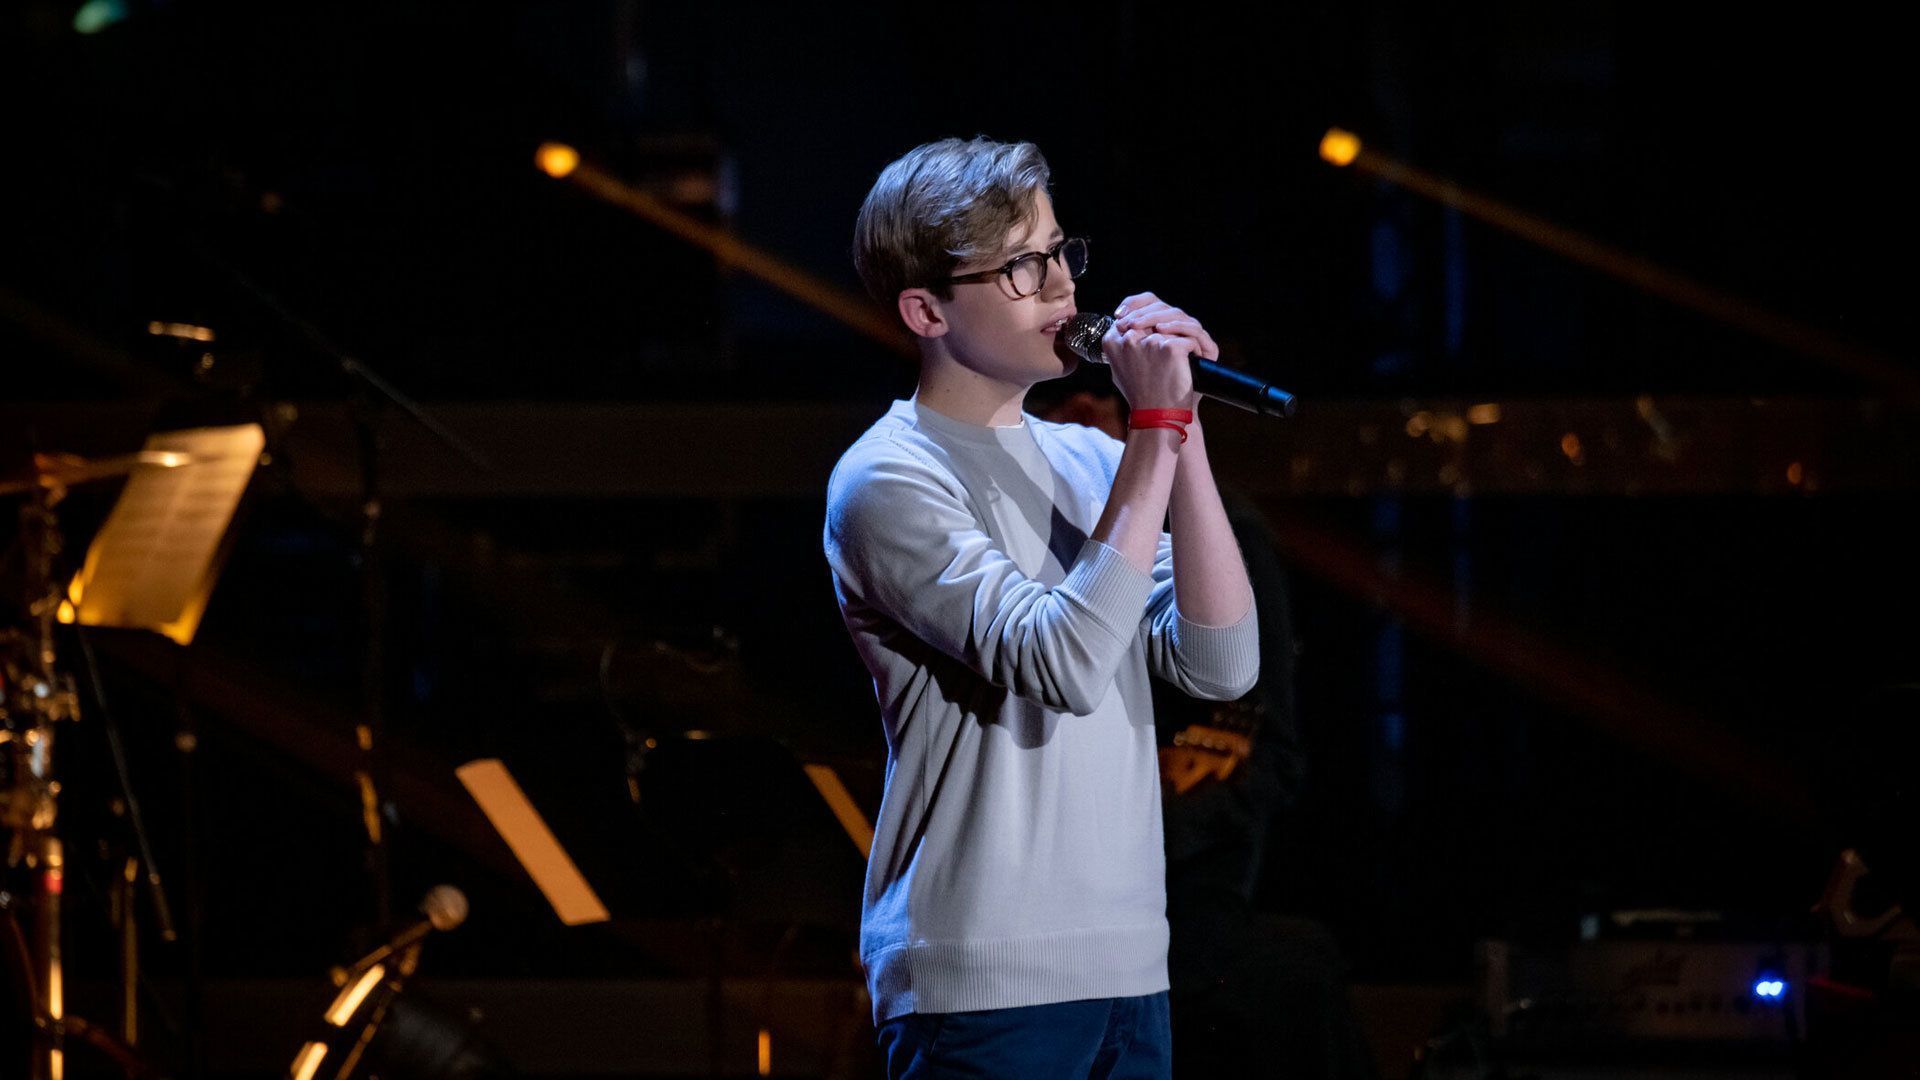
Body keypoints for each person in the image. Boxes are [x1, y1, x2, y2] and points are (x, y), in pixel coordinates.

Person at [823, 136, 1259, 1078]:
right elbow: (1059, 662)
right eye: (1022, 266)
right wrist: (1152, 432)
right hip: (982, 980)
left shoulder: (1093, 459)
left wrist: (1181, 433)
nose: (1061, 285)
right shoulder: (888, 478)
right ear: (927, 309)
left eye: (1060, 251)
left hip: (1130, 965)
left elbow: (1222, 665)